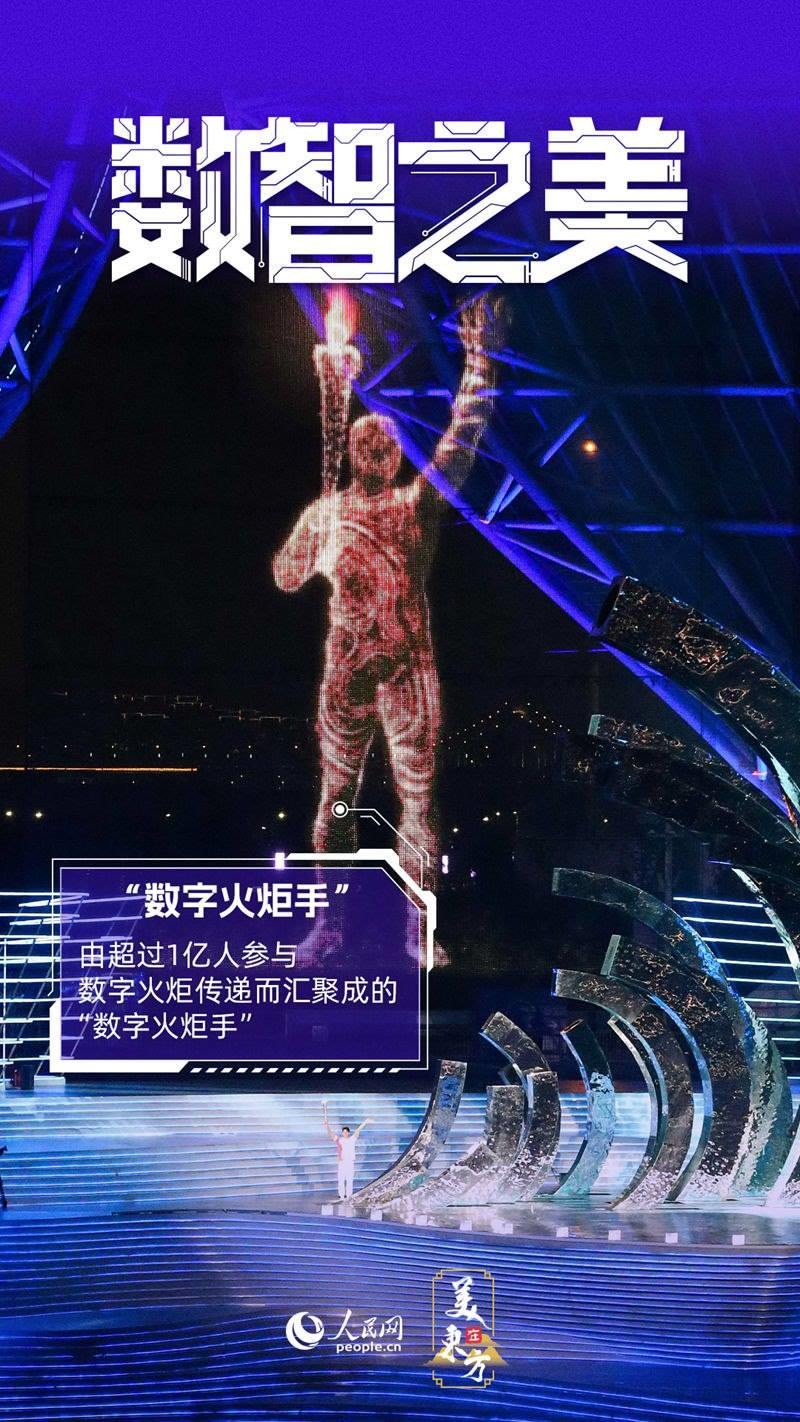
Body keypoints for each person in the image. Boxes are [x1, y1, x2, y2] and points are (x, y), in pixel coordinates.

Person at [273, 296, 504, 889]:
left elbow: (462, 440)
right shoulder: (335, 514)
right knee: (342, 798)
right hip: (355, 666)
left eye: (386, 447)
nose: (379, 453)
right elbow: (287, 576)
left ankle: (412, 923)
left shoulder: (411, 508)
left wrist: (480, 364)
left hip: (403, 666)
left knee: (409, 805)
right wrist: (315, 540)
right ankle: (335, 922)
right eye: (370, 447)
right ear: (358, 455)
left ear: (396, 456)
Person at [322, 1100, 372, 1200]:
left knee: (349, 1180)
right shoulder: (339, 1140)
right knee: (341, 1180)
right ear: (342, 1133)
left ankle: (348, 1196)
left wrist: (365, 1122)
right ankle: (341, 1196)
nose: (345, 1133)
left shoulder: (352, 1139)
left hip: (350, 1162)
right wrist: (327, 1126)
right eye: (343, 1132)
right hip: (342, 1162)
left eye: (346, 1132)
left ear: (348, 1133)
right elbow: (330, 1134)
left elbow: (358, 1130)